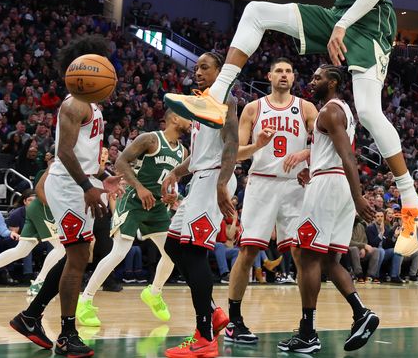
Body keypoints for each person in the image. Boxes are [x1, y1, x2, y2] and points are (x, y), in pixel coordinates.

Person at [163, 0, 418, 257]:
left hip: (369, 22)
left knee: (370, 112)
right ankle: (214, 96)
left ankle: (410, 200)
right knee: (256, 11)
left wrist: (342, 25)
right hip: (341, 15)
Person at [8, 35, 122, 358]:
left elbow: (83, 155)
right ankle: (66, 334)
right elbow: (64, 152)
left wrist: (101, 177)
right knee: (77, 257)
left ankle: (30, 317)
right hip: (69, 186)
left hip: (80, 183)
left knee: (79, 256)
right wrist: (88, 187)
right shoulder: (75, 103)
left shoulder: (91, 103)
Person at [277, 65, 379, 354]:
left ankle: (308, 333)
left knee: (305, 255)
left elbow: (348, 155)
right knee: (328, 260)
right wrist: (313, 169)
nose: (312, 81)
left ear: (332, 82)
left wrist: (359, 196)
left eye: (318, 78)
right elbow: (336, 153)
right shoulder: (343, 111)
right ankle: (361, 313)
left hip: (330, 188)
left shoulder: (329, 112)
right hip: (335, 186)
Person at [225, 57, 318, 344]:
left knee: (302, 255)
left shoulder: (306, 108)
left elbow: (326, 145)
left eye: (288, 71)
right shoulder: (254, 108)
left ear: (294, 77)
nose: (284, 75)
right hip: (262, 183)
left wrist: (306, 158)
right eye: (278, 70)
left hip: (295, 186)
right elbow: (237, 154)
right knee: (248, 252)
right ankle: (234, 321)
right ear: (268, 75)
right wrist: (258, 145)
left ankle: (306, 326)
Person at [76, 109, 191, 327]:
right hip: (133, 200)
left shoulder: (183, 151)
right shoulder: (149, 139)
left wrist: (172, 193)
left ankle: (154, 293)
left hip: (157, 205)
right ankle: (85, 300)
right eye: (186, 116)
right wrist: (138, 188)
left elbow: (170, 178)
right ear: (174, 118)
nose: (191, 120)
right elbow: (120, 162)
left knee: (173, 253)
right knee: (119, 251)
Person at [161, 52, 238, 358]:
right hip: (200, 179)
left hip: (213, 180)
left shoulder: (226, 99)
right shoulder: (199, 103)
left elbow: (231, 144)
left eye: (205, 67)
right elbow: (201, 152)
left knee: (194, 252)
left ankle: (204, 336)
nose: (198, 72)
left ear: (221, 71)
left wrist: (222, 184)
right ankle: (214, 313)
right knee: (172, 245)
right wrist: (176, 171)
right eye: (196, 68)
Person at [0, 168, 65, 296]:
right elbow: (41, 186)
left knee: (21, 250)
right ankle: (39, 282)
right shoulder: (61, 165)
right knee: (61, 247)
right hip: (44, 208)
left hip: (40, 207)